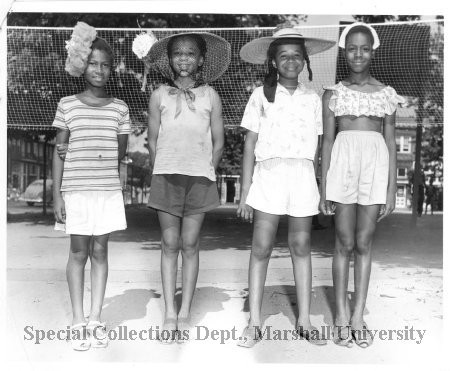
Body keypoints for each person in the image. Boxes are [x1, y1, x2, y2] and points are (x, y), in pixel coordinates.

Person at [237, 24, 335, 347]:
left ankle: (304, 320)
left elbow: (320, 148)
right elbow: (250, 146)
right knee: (261, 247)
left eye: (296, 56)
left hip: (303, 176)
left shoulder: (312, 97)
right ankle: (254, 322)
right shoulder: (260, 96)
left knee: (301, 246)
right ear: (273, 62)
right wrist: (245, 192)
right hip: (269, 175)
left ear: (305, 60)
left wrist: (321, 187)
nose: (290, 61)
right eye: (283, 56)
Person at [320, 22, 405, 348]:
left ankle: (358, 316)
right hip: (342, 167)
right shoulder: (332, 92)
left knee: (364, 243)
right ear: (345, 51)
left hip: (375, 167)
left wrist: (391, 189)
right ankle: (340, 314)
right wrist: (325, 186)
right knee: (343, 241)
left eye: (364, 48)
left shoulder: (386, 95)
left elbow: (391, 142)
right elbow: (327, 142)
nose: (358, 54)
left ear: (373, 51)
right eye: (352, 48)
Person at [145, 32, 230, 343]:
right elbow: (153, 141)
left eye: (190, 53)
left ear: (201, 59)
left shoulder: (211, 95)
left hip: (199, 178)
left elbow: (219, 142)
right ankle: (169, 312)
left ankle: (184, 312)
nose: (184, 58)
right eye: (178, 53)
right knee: (169, 245)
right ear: (169, 59)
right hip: (166, 176)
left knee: (190, 244)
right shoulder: (158, 95)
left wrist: (206, 169)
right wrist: (161, 167)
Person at [53, 22, 131, 350]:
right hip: (76, 191)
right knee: (78, 252)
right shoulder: (67, 104)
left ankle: (96, 317)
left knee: (100, 251)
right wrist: (58, 193)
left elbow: (121, 155)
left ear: (111, 70)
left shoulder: (120, 108)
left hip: (107, 191)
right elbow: (59, 152)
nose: (98, 69)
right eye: (92, 63)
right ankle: (77, 318)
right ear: (81, 65)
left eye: (105, 64)